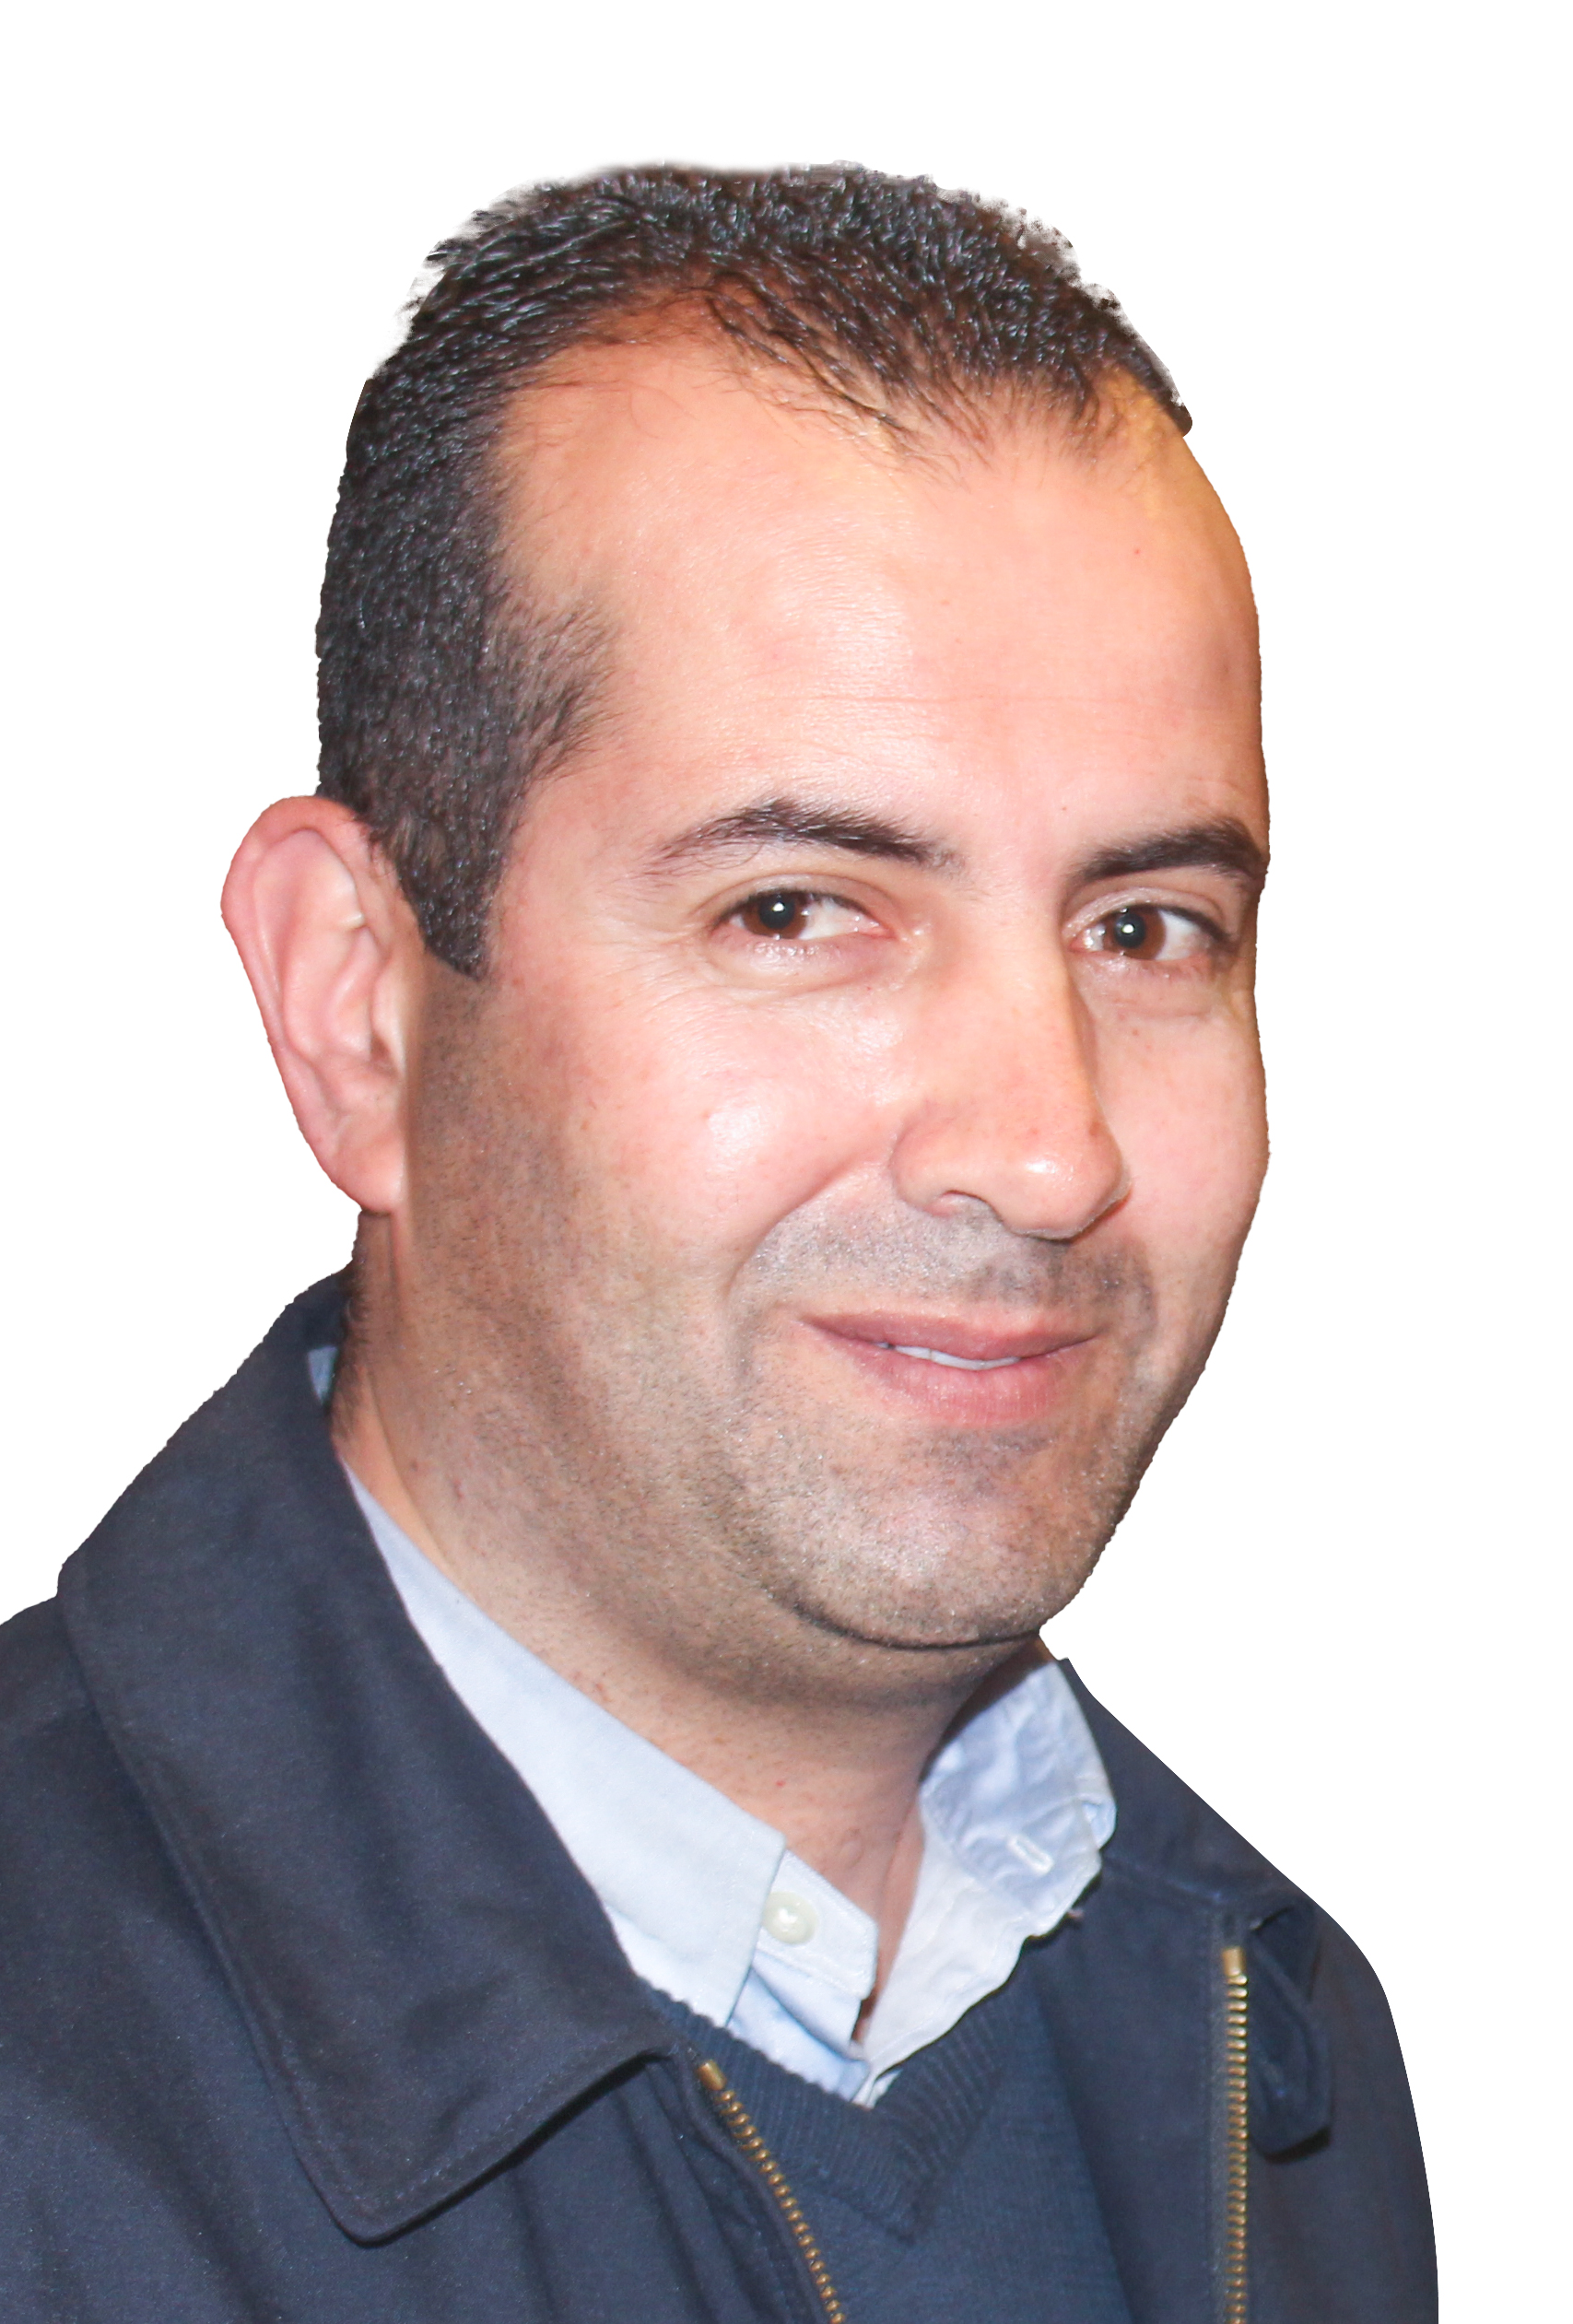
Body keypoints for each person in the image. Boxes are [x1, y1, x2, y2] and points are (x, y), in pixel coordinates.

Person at [0, 167, 1435, 2323]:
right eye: (794, 912)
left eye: (1144, 929)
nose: (1044, 1152)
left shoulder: (1264, 2043)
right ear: (357, 1005)